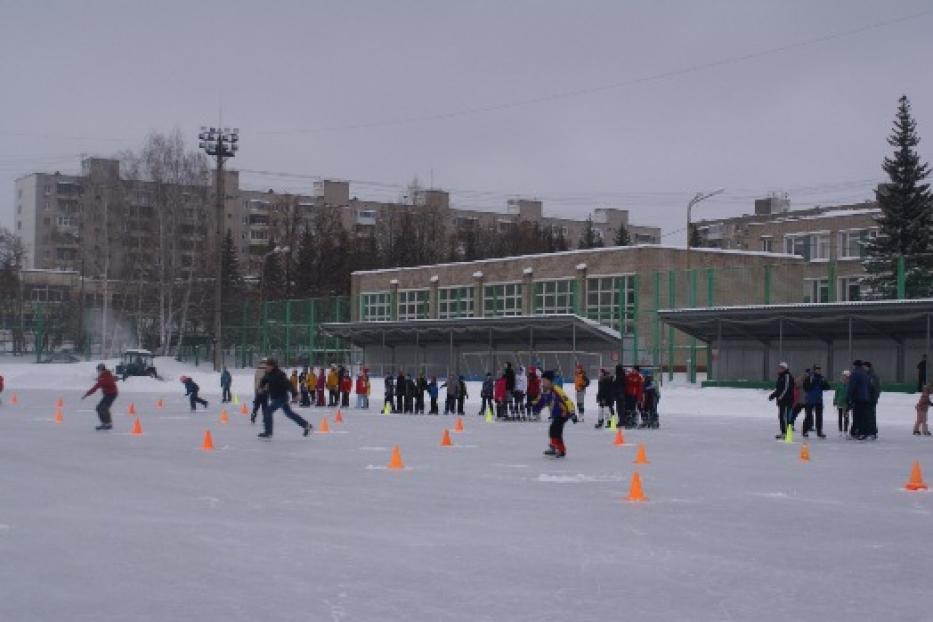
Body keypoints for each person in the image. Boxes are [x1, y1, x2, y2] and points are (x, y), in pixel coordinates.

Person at [257, 358, 312, 439]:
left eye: (268, 366)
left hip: (281, 397)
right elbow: (264, 380)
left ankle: (268, 432)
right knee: (289, 414)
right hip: (275, 397)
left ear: (272, 366)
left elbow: (289, 384)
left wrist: (295, 394)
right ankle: (306, 425)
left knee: (268, 411)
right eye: (266, 366)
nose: (266, 368)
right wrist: (261, 387)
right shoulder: (268, 373)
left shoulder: (280, 374)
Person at [532, 370, 577, 458]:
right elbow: (542, 402)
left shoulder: (556, 389)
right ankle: (553, 447)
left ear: (550, 381)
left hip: (563, 414)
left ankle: (561, 450)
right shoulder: (546, 391)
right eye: (542, 381)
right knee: (552, 430)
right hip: (556, 415)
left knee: (556, 431)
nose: (543, 383)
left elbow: (567, 401)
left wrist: (572, 413)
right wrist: (533, 405)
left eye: (545, 381)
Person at [81, 363, 119, 430]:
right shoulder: (104, 375)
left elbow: (96, 387)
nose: (98, 371)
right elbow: (110, 378)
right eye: (98, 370)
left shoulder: (104, 377)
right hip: (108, 394)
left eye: (98, 370)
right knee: (99, 408)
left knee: (104, 408)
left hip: (112, 394)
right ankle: (104, 423)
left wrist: (87, 394)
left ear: (101, 369)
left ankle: (108, 424)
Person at [768, 362, 794, 439]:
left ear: (785, 368)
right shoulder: (781, 376)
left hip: (787, 400)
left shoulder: (787, 376)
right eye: (779, 367)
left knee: (785, 417)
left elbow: (786, 388)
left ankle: (787, 434)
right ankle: (783, 432)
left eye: (782, 368)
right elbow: (779, 389)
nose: (780, 369)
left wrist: (780, 397)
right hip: (782, 400)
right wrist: (773, 395)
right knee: (782, 416)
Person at [802, 364, 829, 438]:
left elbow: (827, 387)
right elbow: (805, 387)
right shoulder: (810, 377)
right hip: (810, 400)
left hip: (818, 400)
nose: (819, 370)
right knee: (808, 416)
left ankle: (819, 431)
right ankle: (805, 430)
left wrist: (824, 383)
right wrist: (812, 384)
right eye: (817, 369)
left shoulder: (822, 378)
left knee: (819, 416)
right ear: (814, 370)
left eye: (819, 369)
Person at [847, 360, 871, 440]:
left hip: (857, 398)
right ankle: (859, 432)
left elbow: (852, 386)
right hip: (865, 397)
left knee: (857, 416)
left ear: (855, 365)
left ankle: (859, 432)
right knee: (863, 416)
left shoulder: (855, 373)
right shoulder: (865, 374)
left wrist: (849, 396)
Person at [864, 361, 881, 439]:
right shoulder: (866, 375)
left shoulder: (873, 376)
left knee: (871, 416)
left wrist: (875, 398)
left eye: (865, 367)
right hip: (866, 398)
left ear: (868, 367)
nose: (864, 368)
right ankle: (868, 431)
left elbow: (876, 388)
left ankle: (873, 432)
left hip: (871, 399)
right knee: (867, 416)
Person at [251, 358, 269, 424]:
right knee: (265, 405)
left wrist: (256, 390)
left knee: (256, 405)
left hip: (258, 390)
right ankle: (265, 418)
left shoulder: (257, 370)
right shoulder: (267, 371)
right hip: (265, 390)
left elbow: (255, 381)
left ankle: (253, 415)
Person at [833, 370, 851, 435]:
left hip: (846, 403)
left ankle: (845, 429)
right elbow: (836, 393)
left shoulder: (850, 384)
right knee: (840, 417)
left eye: (846, 376)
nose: (845, 377)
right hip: (840, 402)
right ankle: (840, 429)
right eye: (844, 376)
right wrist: (835, 400)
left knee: (846, 416)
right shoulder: (839, 384)